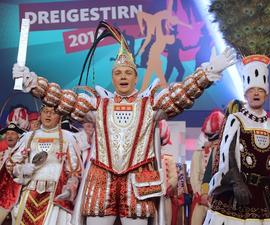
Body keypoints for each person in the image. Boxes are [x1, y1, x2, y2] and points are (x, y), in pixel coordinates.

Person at [12, 21, 235, 225]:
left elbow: (179, 95)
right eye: (118, 72)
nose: (123, 76)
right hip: (101, 180)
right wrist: (33, 83)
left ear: (135, 77)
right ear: (113, 76)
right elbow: (64, 100)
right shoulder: (98, 105)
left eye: (128, 72)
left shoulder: (150, 104)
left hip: (137, 181)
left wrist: (208, 72)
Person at [203, 55, 270, 225]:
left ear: (266, 93)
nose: (256, 93)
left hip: (267, 198)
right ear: (245, 93)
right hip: (239, 196)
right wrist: (237, 182)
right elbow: (228, 155)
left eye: (260, 90)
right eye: (252, 90)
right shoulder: (236, 120)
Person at [6, 105, 82, 225]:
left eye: (53, 112)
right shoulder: (28, 137)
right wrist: (21, 169)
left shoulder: (68, 138)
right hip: (29, 193)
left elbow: (75, 170)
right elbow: (10, 164)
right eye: (45, 111)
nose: (48, 115)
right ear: (40, 114)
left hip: (55, 196)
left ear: (60, 116)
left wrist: (69, 188)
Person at [190, 110, 224, 225]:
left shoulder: (226, 152)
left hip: (221, 198)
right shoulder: (200, 152)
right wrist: (200, 193)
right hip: (201, 198)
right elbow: (195, 175)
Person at [0, 123, 25, 225]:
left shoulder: (23, 154)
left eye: (13, 133)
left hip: (16, 197)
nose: (9, 136)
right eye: (7, 133)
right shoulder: (1, 153)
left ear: (19, 137)